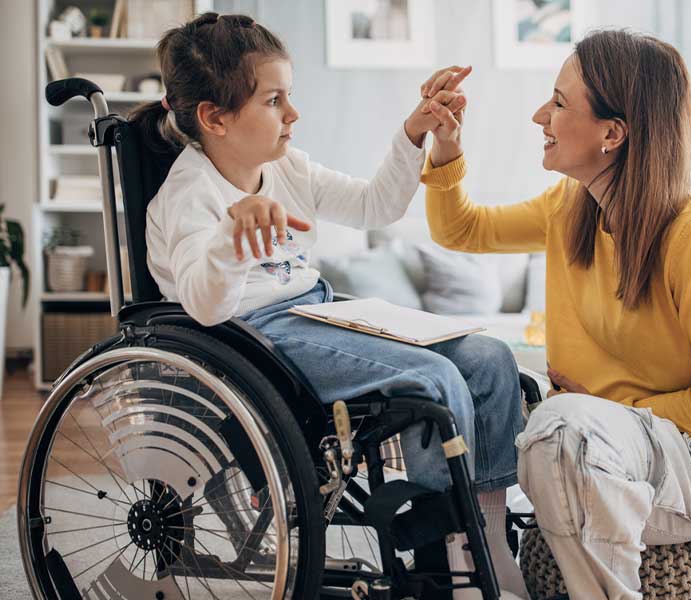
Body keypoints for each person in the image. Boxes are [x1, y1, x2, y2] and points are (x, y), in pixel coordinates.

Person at [133, 12, 528, 597]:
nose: (292, 114)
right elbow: (204, 305)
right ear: (214, 117)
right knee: (434, 380)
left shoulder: (285, 166)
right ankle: (443, 554)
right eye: (273, 100)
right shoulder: (189, 195)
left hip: (319, 313)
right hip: (257, 338)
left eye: (288, 96)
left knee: (491, 359)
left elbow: (375, 207)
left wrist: (412, 135)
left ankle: (486, 539)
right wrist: (230, 236)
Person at [420, 29, 691, 600]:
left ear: (613, 133)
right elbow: (463, 229)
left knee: (562, 431)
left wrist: (607, 410)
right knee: (480, 376)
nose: (540, 115)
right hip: (590, 451)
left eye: (559, 103)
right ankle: (484, 564)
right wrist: (446, 146)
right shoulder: (572, 206)